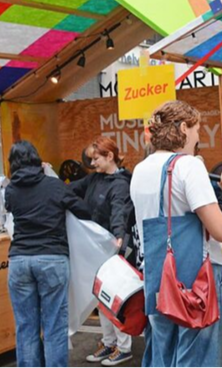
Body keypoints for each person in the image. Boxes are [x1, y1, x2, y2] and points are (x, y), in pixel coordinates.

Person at [131, 100, 222, 368]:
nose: (198, 137)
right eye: (197, 129)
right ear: (182, 128)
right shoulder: (188, 166)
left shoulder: (140, 170)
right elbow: (221, 230)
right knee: (200, 359)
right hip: (196, 283)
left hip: (157, 280)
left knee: (162, 357)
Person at [5, 140, 91, 368]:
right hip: (52, 259)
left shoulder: (10, 190)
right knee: (54, 326)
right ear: (37, 159)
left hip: (19, 261)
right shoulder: (54, 186)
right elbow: (83, 210)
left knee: (26, 327)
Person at [71, 136, 135, 366]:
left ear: (110, 156)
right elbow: (69, 190)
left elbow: (120, 211)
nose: (92, 163)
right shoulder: (94, 179)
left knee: (114, 298)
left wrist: (118, 236)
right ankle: (109, 342)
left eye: (96, 158)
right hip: (97, 249)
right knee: (101, 298)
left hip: (112, 248)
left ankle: (123, 346)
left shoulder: (120, 184)